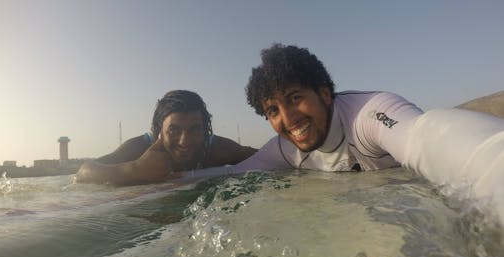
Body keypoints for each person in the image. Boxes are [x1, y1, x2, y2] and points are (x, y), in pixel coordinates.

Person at [182, 44, 504, 221]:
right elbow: (233, 174)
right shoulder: (284, 149)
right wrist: (165, 183)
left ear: (324, 93)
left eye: (295, 98)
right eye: (273, 111)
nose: (288, 118)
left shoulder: (368, 115)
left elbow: (424, 137)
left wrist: (493, 163)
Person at [75, 90, 257, 186]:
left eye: (194, 130)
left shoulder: (216, 149)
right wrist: (135, 170)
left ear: (205, 130)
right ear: (158, 130)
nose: (185, 141)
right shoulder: (139, 148)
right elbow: (84, 172)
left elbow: (266, 157)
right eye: (174, 131)